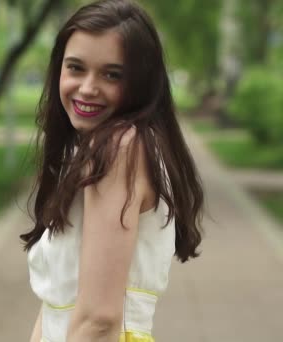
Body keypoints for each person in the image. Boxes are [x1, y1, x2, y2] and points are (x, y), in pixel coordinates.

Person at [21, 1, 204, 341]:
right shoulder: (100, 149)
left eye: (111, 74)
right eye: (76, 68)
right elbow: (55, 308)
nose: (88, 87)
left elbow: (100, 320)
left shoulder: (119, 150)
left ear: (141, 82)